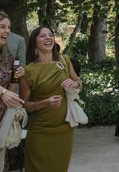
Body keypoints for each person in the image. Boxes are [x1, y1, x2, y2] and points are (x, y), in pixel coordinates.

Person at [19, 26, 81, 172]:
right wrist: (45, 103)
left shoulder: (64, 60)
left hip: (65, 129)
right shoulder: (28, 71)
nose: (48, 38)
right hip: (40, 132)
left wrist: (75, 83)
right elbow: (25, 105)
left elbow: (79, 84)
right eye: (42, 36)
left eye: (50, 35)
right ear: (35, 43)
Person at [0, 14, 25, 171]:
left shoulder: (7, 55)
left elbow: (10, 90)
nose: (7, 31)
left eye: (9, 27)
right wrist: (2, 92)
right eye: (2, 27)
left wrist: (15, 79)